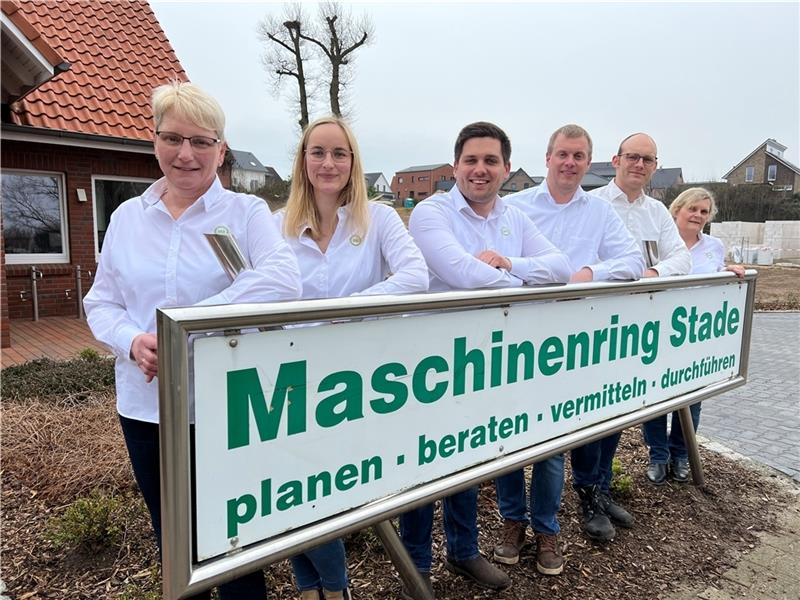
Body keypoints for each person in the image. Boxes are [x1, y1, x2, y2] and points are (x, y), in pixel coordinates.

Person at [83, 81, 302, 600]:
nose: (186, 154)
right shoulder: (126, 219)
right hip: (146, 406)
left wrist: (184, 324)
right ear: (154, 141)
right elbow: (101, 302)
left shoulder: (245, 215)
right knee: (173, 539)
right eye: (173, 138)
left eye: (202, 141)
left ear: (221, 151)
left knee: (234, 542)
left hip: (225, 405)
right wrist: (134, 340)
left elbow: (282, 279)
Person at [404, 121, 571, 597]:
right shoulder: (431, 213)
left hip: (490, 362)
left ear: (506, 168)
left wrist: (512, 263)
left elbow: (559, 267)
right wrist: (520, 283)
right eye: (471, 160)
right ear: (455, 165)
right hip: (432, 363)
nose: (481, 170)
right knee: (422, 463)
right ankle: (415, 568)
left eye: (491, 161)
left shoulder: (514, 218)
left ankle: (462, 552)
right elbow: (459, 272)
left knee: (467, 456)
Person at [275, 116, 429, 600]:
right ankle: (308, 588)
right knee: (286, 486)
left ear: (353, 162)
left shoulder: (378, 219)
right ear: (303, 160)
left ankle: (337, 589)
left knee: (322, 490)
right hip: (286, 374)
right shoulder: (274, 223)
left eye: (339, 153)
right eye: (317, 152)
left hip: (350, 382)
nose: (328, 162)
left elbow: (415, 275)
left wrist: (349, 311)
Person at [500, 124, 644, 564]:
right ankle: (512, 522)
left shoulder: (599, 214)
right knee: (505, 437)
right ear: (547, 158)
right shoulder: (514, 206)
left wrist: (587, 273)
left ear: (588, 163)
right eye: (563, 154)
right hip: (515, 337)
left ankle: (546, 529)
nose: (570, 163)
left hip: (567, 345)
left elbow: (634, 261)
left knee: (549, 441)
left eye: (579, 156)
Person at [594, 133, 692, 486]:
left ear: (655, 167)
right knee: (592, 411)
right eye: (632, 156)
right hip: (595, 322)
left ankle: (601, 486)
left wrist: (652, 273)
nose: (639, 164)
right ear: (615, 160)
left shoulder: (657, 213)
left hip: (637, 327)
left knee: (618, 409)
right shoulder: (593, 204)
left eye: (647, 160)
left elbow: (681, 257)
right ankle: (590, 488)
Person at [642, 187, 745, 483]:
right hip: (660, 333)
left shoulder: (713, 246)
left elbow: (714, 277)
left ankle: (682, 455)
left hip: (695, 334)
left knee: (692, 399)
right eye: (692, 209)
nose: (698, 216)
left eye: (703, 211)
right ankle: (658, 457)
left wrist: (727, 271)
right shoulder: (660, 245)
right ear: (677, 210)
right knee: (656, 397)